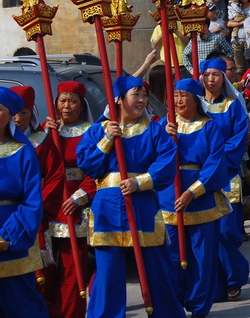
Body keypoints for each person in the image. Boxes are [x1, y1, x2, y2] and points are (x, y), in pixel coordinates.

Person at [76, 76, 184, 318]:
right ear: (119, 99)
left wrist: (140, 182)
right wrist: (106, 141)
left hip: (142, 204)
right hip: (107, 208)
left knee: (157, 269)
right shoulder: (98, 130)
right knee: (108, 274)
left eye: (144, 95)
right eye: (136, 94)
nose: (142, 100)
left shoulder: (154, 130)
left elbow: (167, 162)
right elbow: (86, 164)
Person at [160, 78, 230, 318]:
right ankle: (172, 306)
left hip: (200, 197)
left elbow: (215, 163)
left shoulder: (209, 126)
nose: (178, 100)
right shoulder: (165, 125)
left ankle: (199, 307)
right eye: (175, 95)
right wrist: (162, 136)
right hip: (169, 197)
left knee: (201, 258)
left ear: (195, 99)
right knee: (170, 257)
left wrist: (193, 191)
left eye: (184, 95)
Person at [42, 81, 95, 318]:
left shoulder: (92, 132)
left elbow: (98, 171)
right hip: (49, 203)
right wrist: (44, 133)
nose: (66, 106)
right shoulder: (48, 130)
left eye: (72, 101)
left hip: (77, 204)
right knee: (47, 269)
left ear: (81, 106)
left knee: (72, 269)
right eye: (62, 100)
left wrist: (80, 196)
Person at [199, 58, 250, 300]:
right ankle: (216, 283)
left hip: (226, 175)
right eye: (207, 74)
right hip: (198, 177)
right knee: (206, 236)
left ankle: (234, 275)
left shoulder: (232, 106)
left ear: (224, 78)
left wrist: (214, 162)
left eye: (216, 74)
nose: (211, 79)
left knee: (227, 233)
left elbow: (238, 140)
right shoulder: (193, 105)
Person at [11, 86, 65, 303]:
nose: (17, 118)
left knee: (40, 275)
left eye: (23, 112)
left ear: (32, 113)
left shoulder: (42, 141)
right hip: (5, 214)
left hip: (34, 213)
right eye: (13, 112)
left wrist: (37, 206)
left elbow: (54, 176)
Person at [0, 87, 49, 318]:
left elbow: (32, 200)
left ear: (10, 115)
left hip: (11, 235)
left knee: (20, 304)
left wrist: (9, 236)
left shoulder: (23, 152)